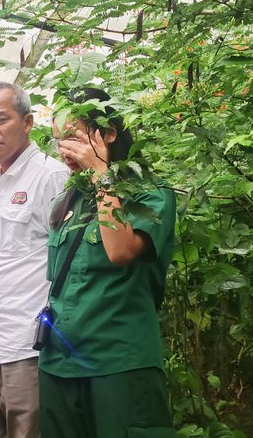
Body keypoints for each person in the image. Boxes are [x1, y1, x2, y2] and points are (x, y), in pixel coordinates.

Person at [39, 88, 176, 437]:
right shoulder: (68, 201)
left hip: (119, 362)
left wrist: (103, 177)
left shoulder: (148, 193)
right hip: (60, 361)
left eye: (72, 137)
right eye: (59, 140)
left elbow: (120, 252)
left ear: (109, 133)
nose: (65, 150)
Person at [0, 82, 69, 438]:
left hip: (24, 345)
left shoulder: (52, 175)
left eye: (0, 119)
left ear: (27, 122)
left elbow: (66, 258)